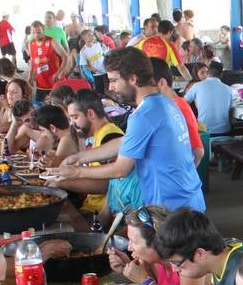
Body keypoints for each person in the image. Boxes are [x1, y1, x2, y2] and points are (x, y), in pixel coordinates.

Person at [52, 49, 202, 210]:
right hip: (189, 199)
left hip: (169, 206)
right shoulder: (166, 103)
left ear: (132, 78)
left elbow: (120, 169)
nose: (111, 87)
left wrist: (76, 172)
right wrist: (79, 157)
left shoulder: (143, 116)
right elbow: (125, 142)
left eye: (114, 80)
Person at [106, 205, 225, 285]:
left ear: (156, 244)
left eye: (134, 241)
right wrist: (126, 268)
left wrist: (144, 280)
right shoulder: (152, 261)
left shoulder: (187, 261)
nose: (129, 248)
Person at [183, 61, 235, 138]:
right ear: (221, 74)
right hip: (225, 132)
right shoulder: (228, 89)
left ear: (208, 72)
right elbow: (230, 111)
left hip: (204, 133)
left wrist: (192, 120)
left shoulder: (197, 86)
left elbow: (183, 103)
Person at [26, 21, 67, 101]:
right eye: (33, 33)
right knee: (40, 107)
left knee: (58, 107)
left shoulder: (52, 41)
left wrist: (59, 73)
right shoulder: (31, 43)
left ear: (43, 30)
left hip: (55, 82)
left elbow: (65, 56)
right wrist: (30, 75)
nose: (36, 35)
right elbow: (32, 60)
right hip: (40, 84)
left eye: (38, 32)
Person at [77, 29, 108, 95]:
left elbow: (104, 55)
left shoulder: (98, 45)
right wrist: (92, 69)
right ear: (84, 38)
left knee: (110, 86)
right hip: (97, 73)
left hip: (106, 69)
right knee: (100, 91)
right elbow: (84, 65)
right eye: (89, 35)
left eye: (92, 35)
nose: (92, 36)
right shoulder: (83, 51)